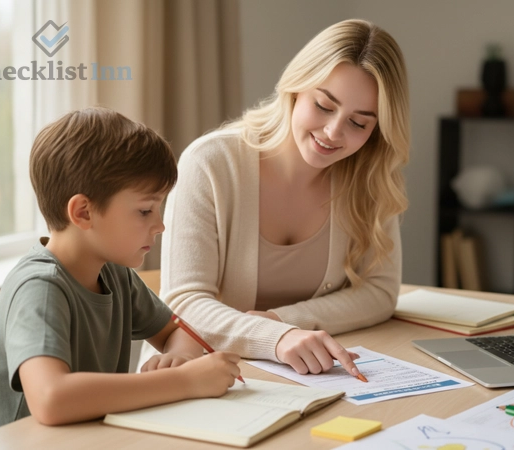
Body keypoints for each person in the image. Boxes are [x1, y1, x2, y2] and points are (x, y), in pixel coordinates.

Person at [139, 19, 409, 378]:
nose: (333, 133)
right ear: (296, 89)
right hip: (197, 372)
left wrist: (285, 320)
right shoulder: (211, 163)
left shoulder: (369, 177)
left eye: (359, 123)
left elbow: (380, 293)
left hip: (303, 376)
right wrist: (277, 337)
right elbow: (185, 303)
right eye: (324, 105)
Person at [0, 107, 241, 434]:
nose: (160, 225)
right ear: (83, 212)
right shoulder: (39, 288)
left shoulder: (113, 272)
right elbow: (50, 398)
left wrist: (179, 360)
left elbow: (177, 332)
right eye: (145, 210)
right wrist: (183, 381)